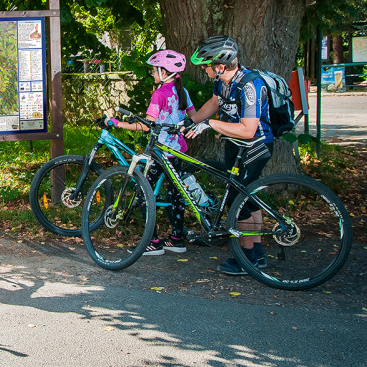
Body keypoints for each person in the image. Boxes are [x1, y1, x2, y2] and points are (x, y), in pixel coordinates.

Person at [185, 35, 273, 275]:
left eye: (206, 65)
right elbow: (214, 104)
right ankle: (256, 253)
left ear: (220, 66)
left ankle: (247, 259)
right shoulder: (222, 82)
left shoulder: (249, 86)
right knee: (248, 197)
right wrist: (190, 122)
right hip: (235, 145)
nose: (204, 69)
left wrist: (211, 125)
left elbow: (248, 129)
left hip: (255, 145)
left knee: (238, 198)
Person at [106, 49, 196, 255]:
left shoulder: (159, 94)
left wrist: (118, 123)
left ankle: (153, 242)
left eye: (154, 70)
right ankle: (176, 238)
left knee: (143, 193)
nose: (152, 74)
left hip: (159, 152)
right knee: (176, 194)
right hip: (177, 151)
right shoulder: (182, 91)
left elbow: (147, 126)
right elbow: (193, 115)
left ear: (165, 72)